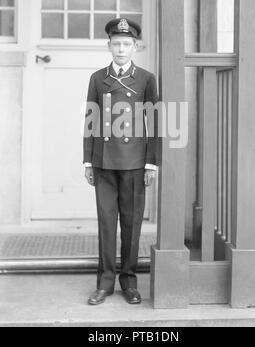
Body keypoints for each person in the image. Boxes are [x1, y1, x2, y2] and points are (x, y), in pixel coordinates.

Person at [83, 18, 159, 305]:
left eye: (127, 44)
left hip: (135, 163)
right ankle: (104, 283)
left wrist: (151, 164)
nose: (121, 49)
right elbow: (90, 122)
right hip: (103, 162)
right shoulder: (97, 78)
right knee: (106, 222)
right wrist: (87, 162)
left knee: (131, 222)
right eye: (116, 44)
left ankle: (129, 281)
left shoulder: (146, 79)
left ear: (135, 46)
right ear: (108, 46)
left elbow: (154, 124)